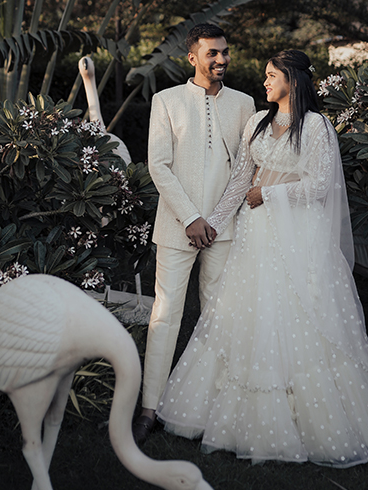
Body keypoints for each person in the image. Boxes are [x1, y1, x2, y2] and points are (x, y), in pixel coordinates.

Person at [155, 49, 368, 467]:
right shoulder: (256, 122)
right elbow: (240, 183)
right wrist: (214, 222)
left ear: (292, 78)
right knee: (249, 314)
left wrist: (267, 193)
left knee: (298, 315)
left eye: (272, 76)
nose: (266, 82)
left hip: (298, 236)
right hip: (255, 236)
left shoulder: (316, 126)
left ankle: (310, 420)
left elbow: (320, 186)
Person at [132, 23, 255, 443]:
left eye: (225, 52)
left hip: (224, 228)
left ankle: (212, 405)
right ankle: (149, 407)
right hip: (177, 226)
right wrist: (190, 217)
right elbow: (158, 165)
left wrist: (215, 219)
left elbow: (244, 167)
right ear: (192, 57)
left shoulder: (244, 103)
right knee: (165, 316)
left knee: (218, 317)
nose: (221, 60)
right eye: (212, 53)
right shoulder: (166, 101)